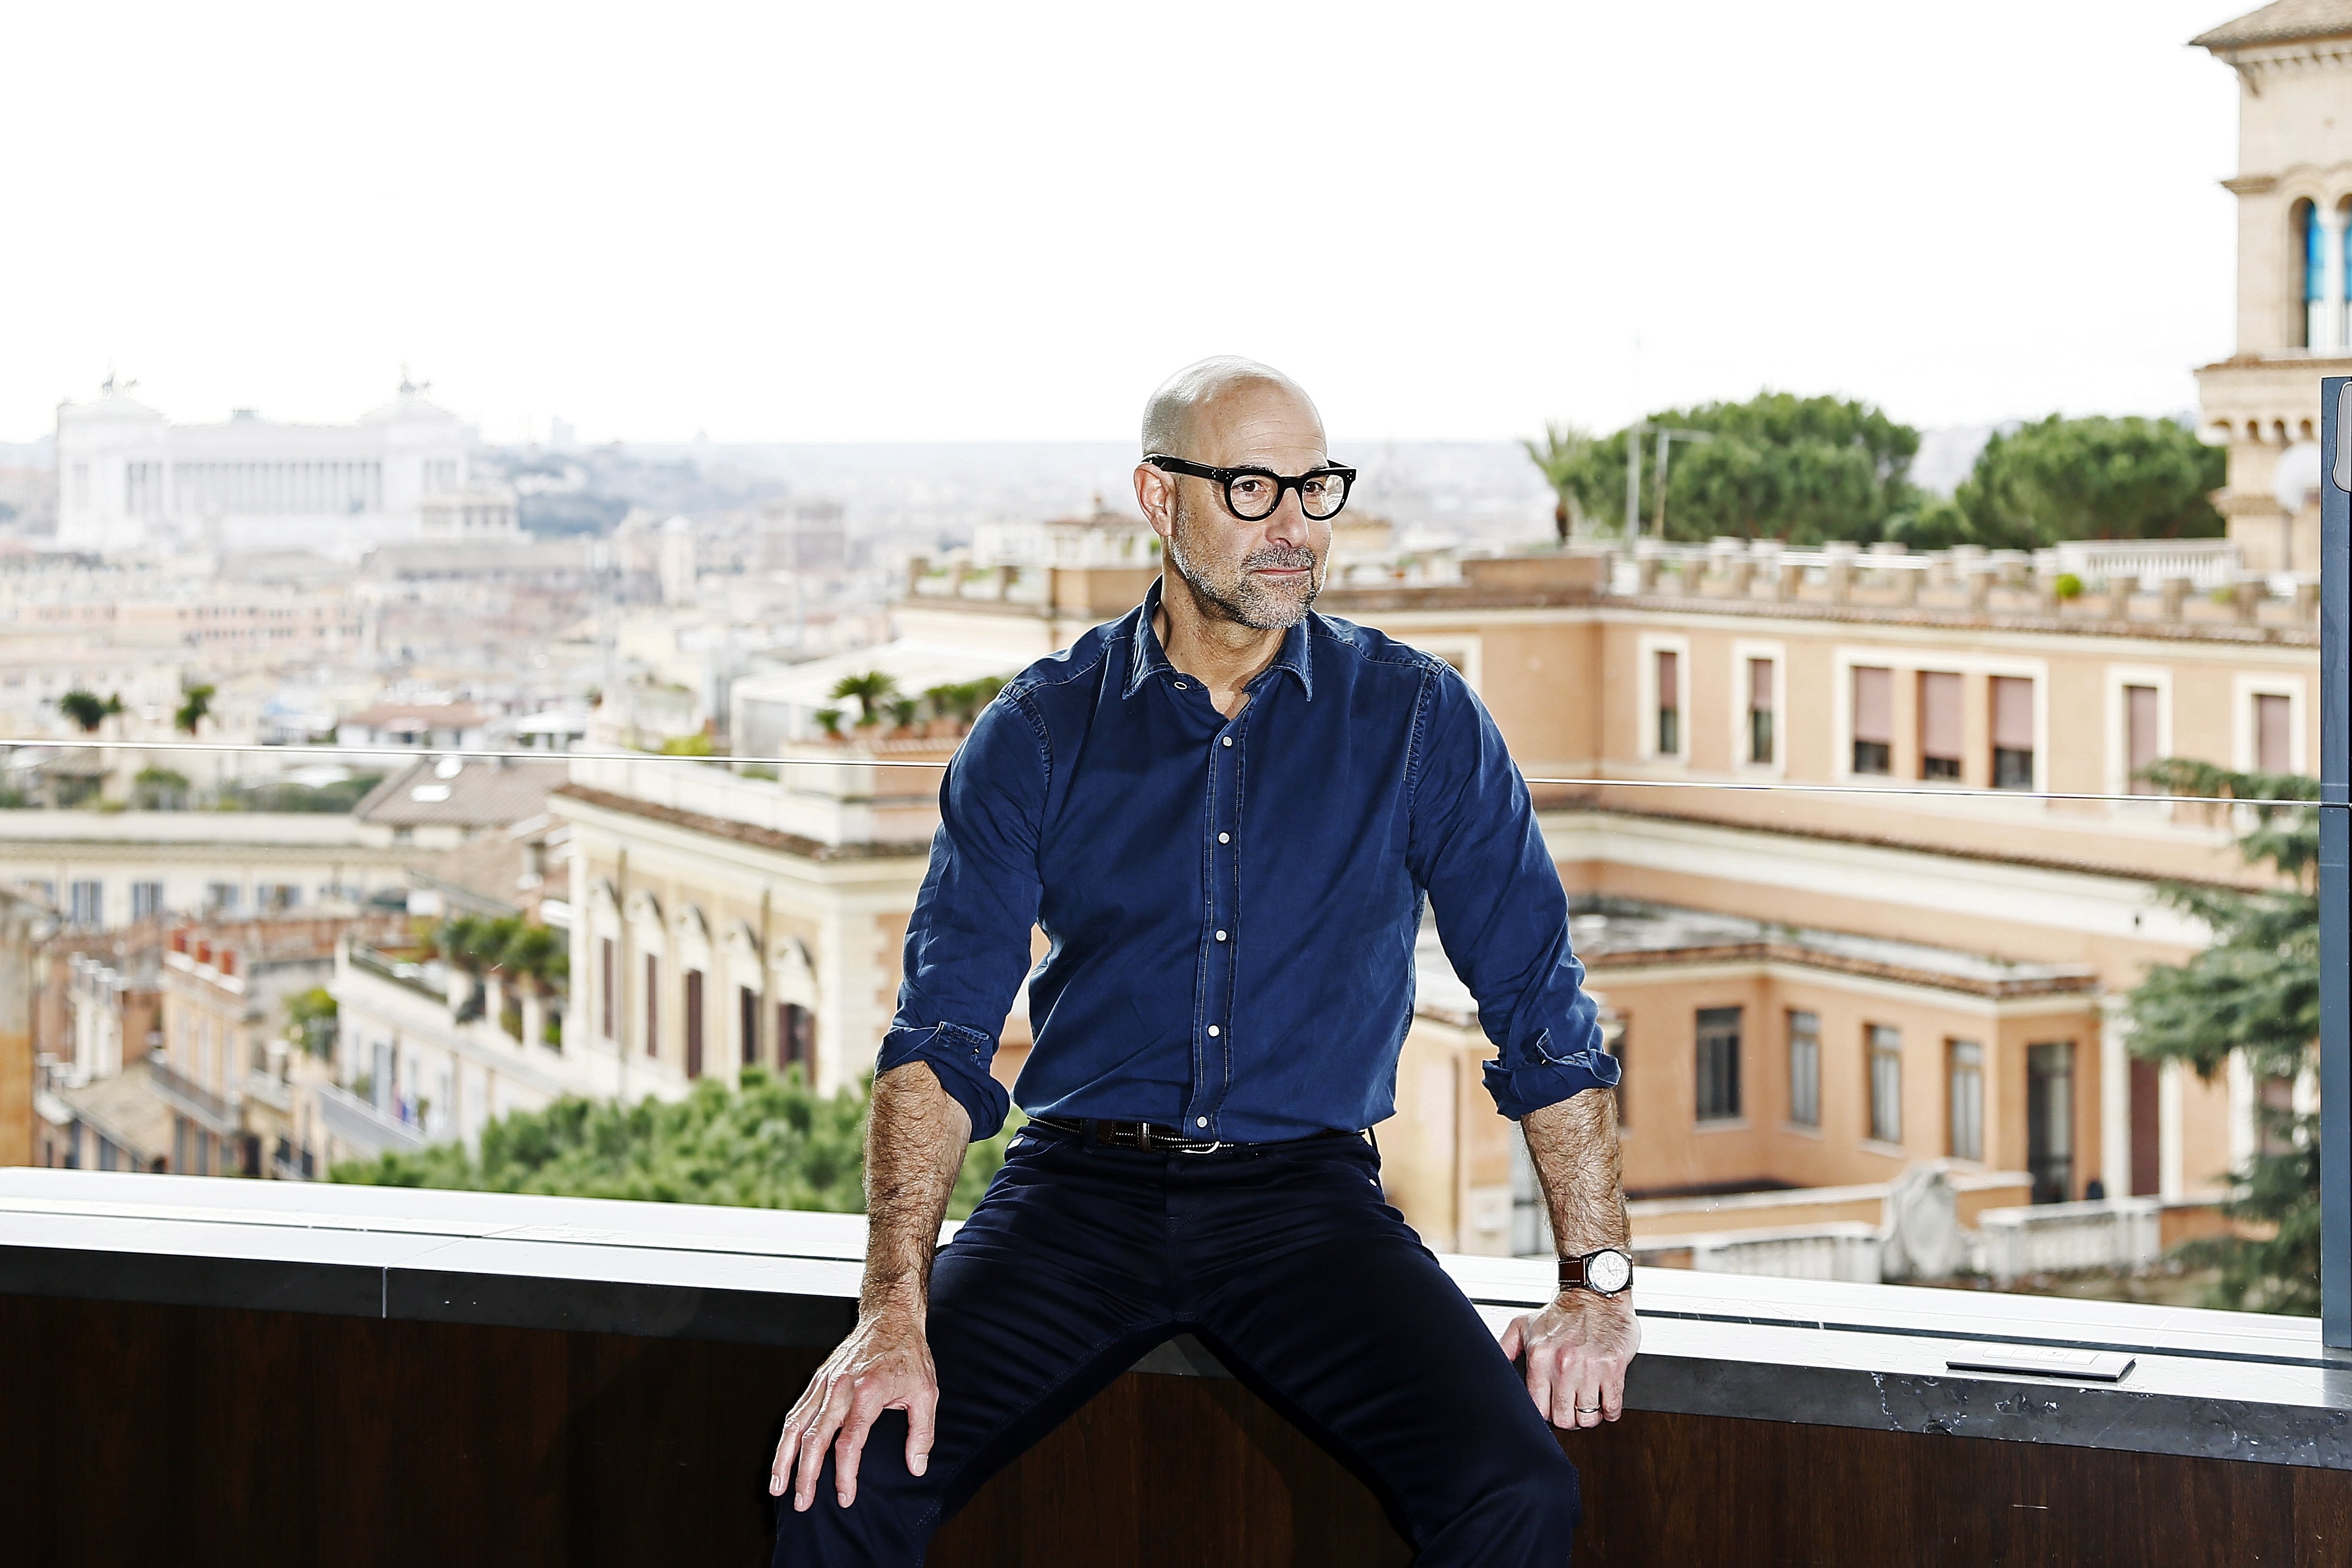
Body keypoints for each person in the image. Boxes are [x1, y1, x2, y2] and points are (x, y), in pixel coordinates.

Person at [769, 357, 1638, 1566]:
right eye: (1249, 488)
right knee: (841, 1482)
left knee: (1517, 1495)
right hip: (1077, 1200)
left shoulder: (1420, 720)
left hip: (1306, 1208)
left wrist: (1594, 1286)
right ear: (1157, 497)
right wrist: (889, 1313)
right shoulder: (1036, 731)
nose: (1293, 528)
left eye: (1314, 488)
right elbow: (940, 1038)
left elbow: (1541, 1012)